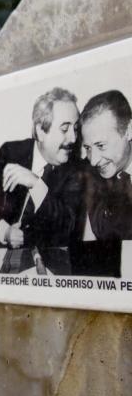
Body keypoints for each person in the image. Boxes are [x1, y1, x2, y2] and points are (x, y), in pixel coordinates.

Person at [0, 87, 84, 274]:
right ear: (40, 131)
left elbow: (68, 226)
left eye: (75, 128)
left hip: (45, 270)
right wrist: (6, 233)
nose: (73, 138)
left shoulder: (76, 170)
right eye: (65, 129)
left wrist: (36, 184)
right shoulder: (10, 152)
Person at [71, 90, 132, 277]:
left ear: (128, 131)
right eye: (88, 148)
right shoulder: (94, 179)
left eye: (101, 146)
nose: (94, 159)